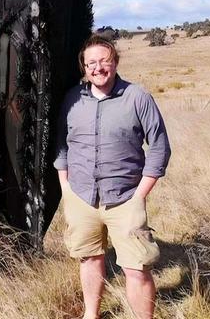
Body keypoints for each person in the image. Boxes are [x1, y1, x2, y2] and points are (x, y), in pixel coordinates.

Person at [54, 35, 171, 319]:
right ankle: (91, 314)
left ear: (115, 62)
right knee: (89, 259)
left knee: (136, 267)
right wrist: (66, 188)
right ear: (84, 67)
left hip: (125, 199)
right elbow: (61, 145)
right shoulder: (72, 99)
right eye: (91, 62)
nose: (98, 68)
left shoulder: (137, 97)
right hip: (81, 198)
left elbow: (159, 147)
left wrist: (140, 195)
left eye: (104, 61)